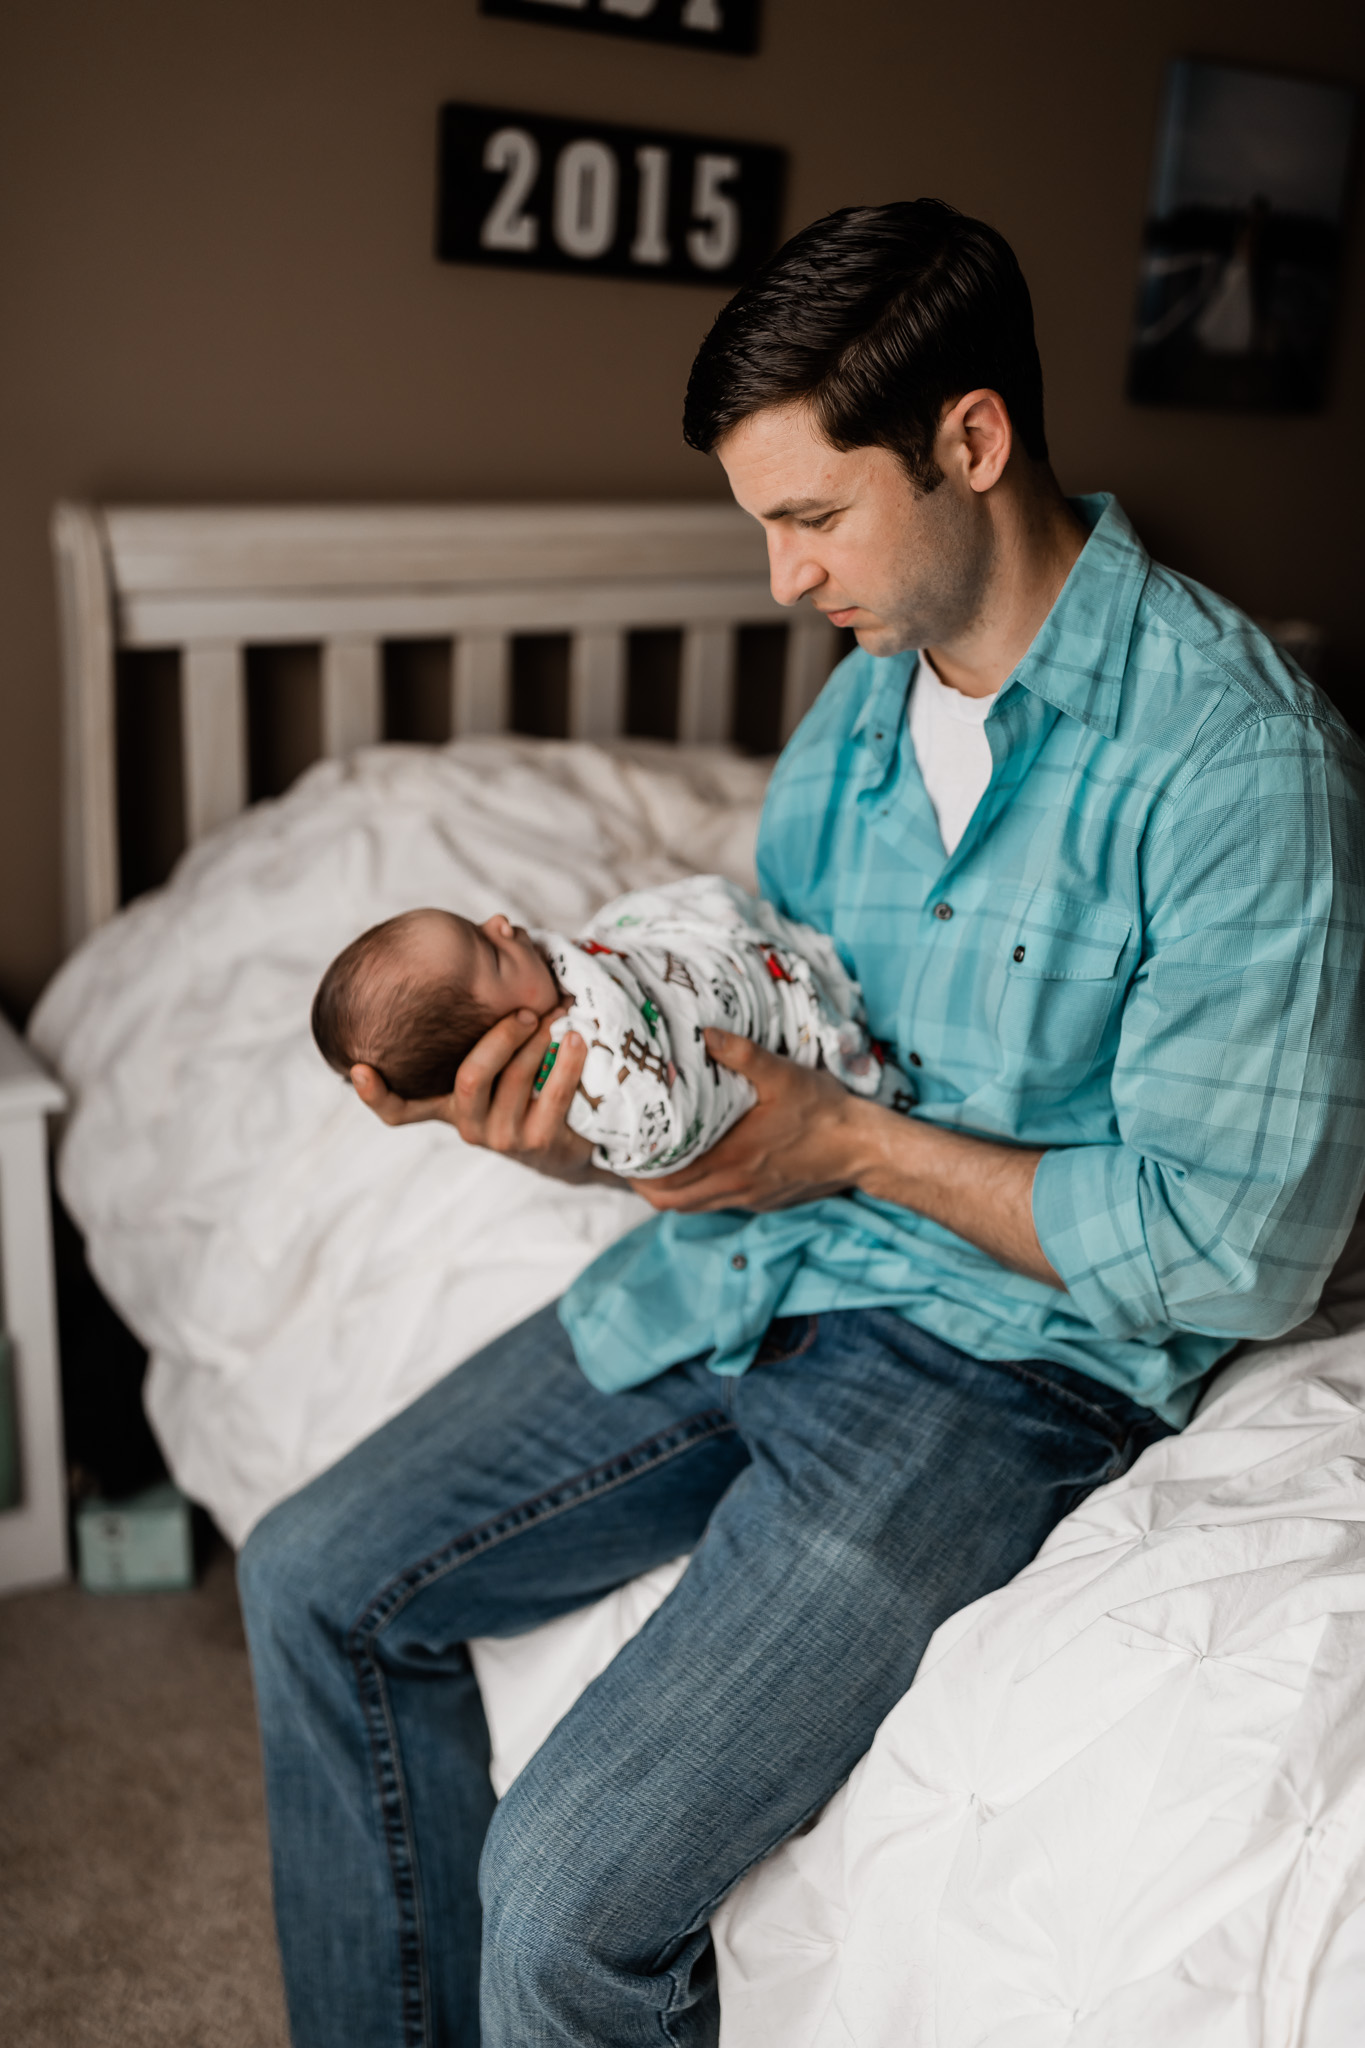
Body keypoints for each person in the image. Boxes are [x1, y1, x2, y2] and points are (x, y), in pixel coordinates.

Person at [237, 199, 1365, 2047]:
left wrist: (844, 1144)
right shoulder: (851, 729)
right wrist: (582, 1137)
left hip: (998, 1369)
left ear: (973, 443)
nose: (776, 577)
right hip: (749, 1263)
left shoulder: (1241, 763)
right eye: (758, 521)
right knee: (312, 1577)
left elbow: (1236, 1245)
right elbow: (758, 1026)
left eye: (811, 516)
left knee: (563, 1903)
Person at [309, 879, 910, 1181]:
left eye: (478, 922)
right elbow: (658, 1128)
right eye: (488, 952)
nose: (500, 923)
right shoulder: (591, 1077)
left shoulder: (558, 969)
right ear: (495, 1041)